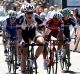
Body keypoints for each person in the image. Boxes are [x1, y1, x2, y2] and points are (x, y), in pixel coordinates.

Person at [18, 4, 45, 74]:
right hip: (23, 34)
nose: (30, 14)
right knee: (24, 54)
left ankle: (34, 59)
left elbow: (43, 27)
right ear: (25, 13)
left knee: (42, 43)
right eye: (28, 13)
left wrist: (44, 34)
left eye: (31, 12)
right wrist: (20, 41)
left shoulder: (36, 16)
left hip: (33, 33)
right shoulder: (20, 18)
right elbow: (18, 31)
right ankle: (23, 71)